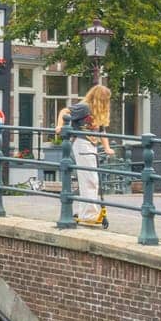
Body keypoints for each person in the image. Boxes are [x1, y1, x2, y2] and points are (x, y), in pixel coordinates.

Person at [59, 84, 114, 228]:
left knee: (89, 179)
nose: (106, 102)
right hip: (82, 143)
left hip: (92, 145)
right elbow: (65, 111)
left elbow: (102, 131)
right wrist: (60, 126)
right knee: (90, 179)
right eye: (105, 99)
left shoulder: (98, 111)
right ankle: (89, 214)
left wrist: (107, 147)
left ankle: (85, 213)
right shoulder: (85, 107)